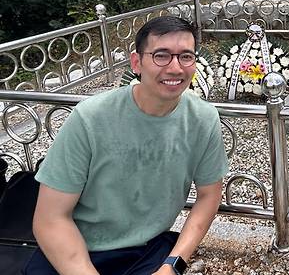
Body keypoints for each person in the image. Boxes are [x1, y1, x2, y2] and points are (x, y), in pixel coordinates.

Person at [24, 16, 228, 275]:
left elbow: (209, 196)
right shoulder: (90, 119)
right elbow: (50, 219)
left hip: (146, 248)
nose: (176, 68)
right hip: (75, 247)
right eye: (161, 56)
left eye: (185, 56)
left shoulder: (203, 119)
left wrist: (174, 263)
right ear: (136, 62)